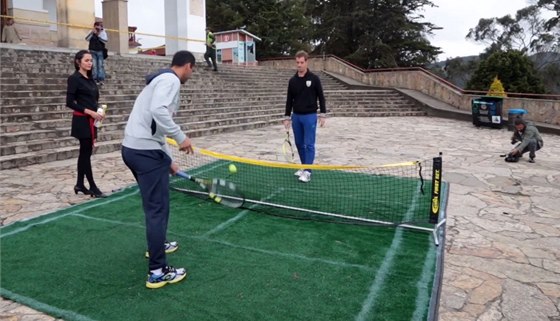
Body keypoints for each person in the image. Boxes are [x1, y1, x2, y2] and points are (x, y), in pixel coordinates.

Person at [121, 50, 195, 289]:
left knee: (153, 207)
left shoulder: (159, 80)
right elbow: (159, 112)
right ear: (187, 66)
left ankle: (158, 243)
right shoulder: (171, 80)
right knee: (157, 209)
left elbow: (157, 129)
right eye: (192, 70)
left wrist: (169, 160)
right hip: (144, 153)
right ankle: (157, 271)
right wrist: (181, 137)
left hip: (133, 149)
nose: (190, 74)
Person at [66, 50, 106, 198]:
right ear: (78, 62)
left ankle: (80, 184)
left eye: (91, 60)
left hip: (92, 120)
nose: (90, 63)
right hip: (81, 120)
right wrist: (89, 111)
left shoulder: (91, 79)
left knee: (85, 153)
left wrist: (100, 110)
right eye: (87, 60)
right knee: (85, 154)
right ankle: (92, 186)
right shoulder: (74, 79)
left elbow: (93, 100)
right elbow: (69, 102)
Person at [283, 50, 327, 183]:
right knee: (299, 144)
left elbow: (321, 97)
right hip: (296, 116)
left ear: (307, 62)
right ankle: (303, 167)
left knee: (309, 144)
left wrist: (323, 114)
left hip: (310, 116)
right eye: (297, 63)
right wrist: (287, 117)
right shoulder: (292, 81)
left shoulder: (314, 79)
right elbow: (289, 100)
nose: (299, 65)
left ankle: (308, 171)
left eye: (302, 62)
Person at [85, 21, 108, 85]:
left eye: (99, 26)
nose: (98, 28)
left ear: (101, 27)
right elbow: (87, 39)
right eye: (96, 26)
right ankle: (94, 79)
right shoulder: (91, 32)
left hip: (100, 51)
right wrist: (92, 33)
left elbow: (105, 41)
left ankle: (100, 79)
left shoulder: (103, 33)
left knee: (100, 65)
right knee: (94, 65)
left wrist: (98, 35)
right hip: (92, 50)